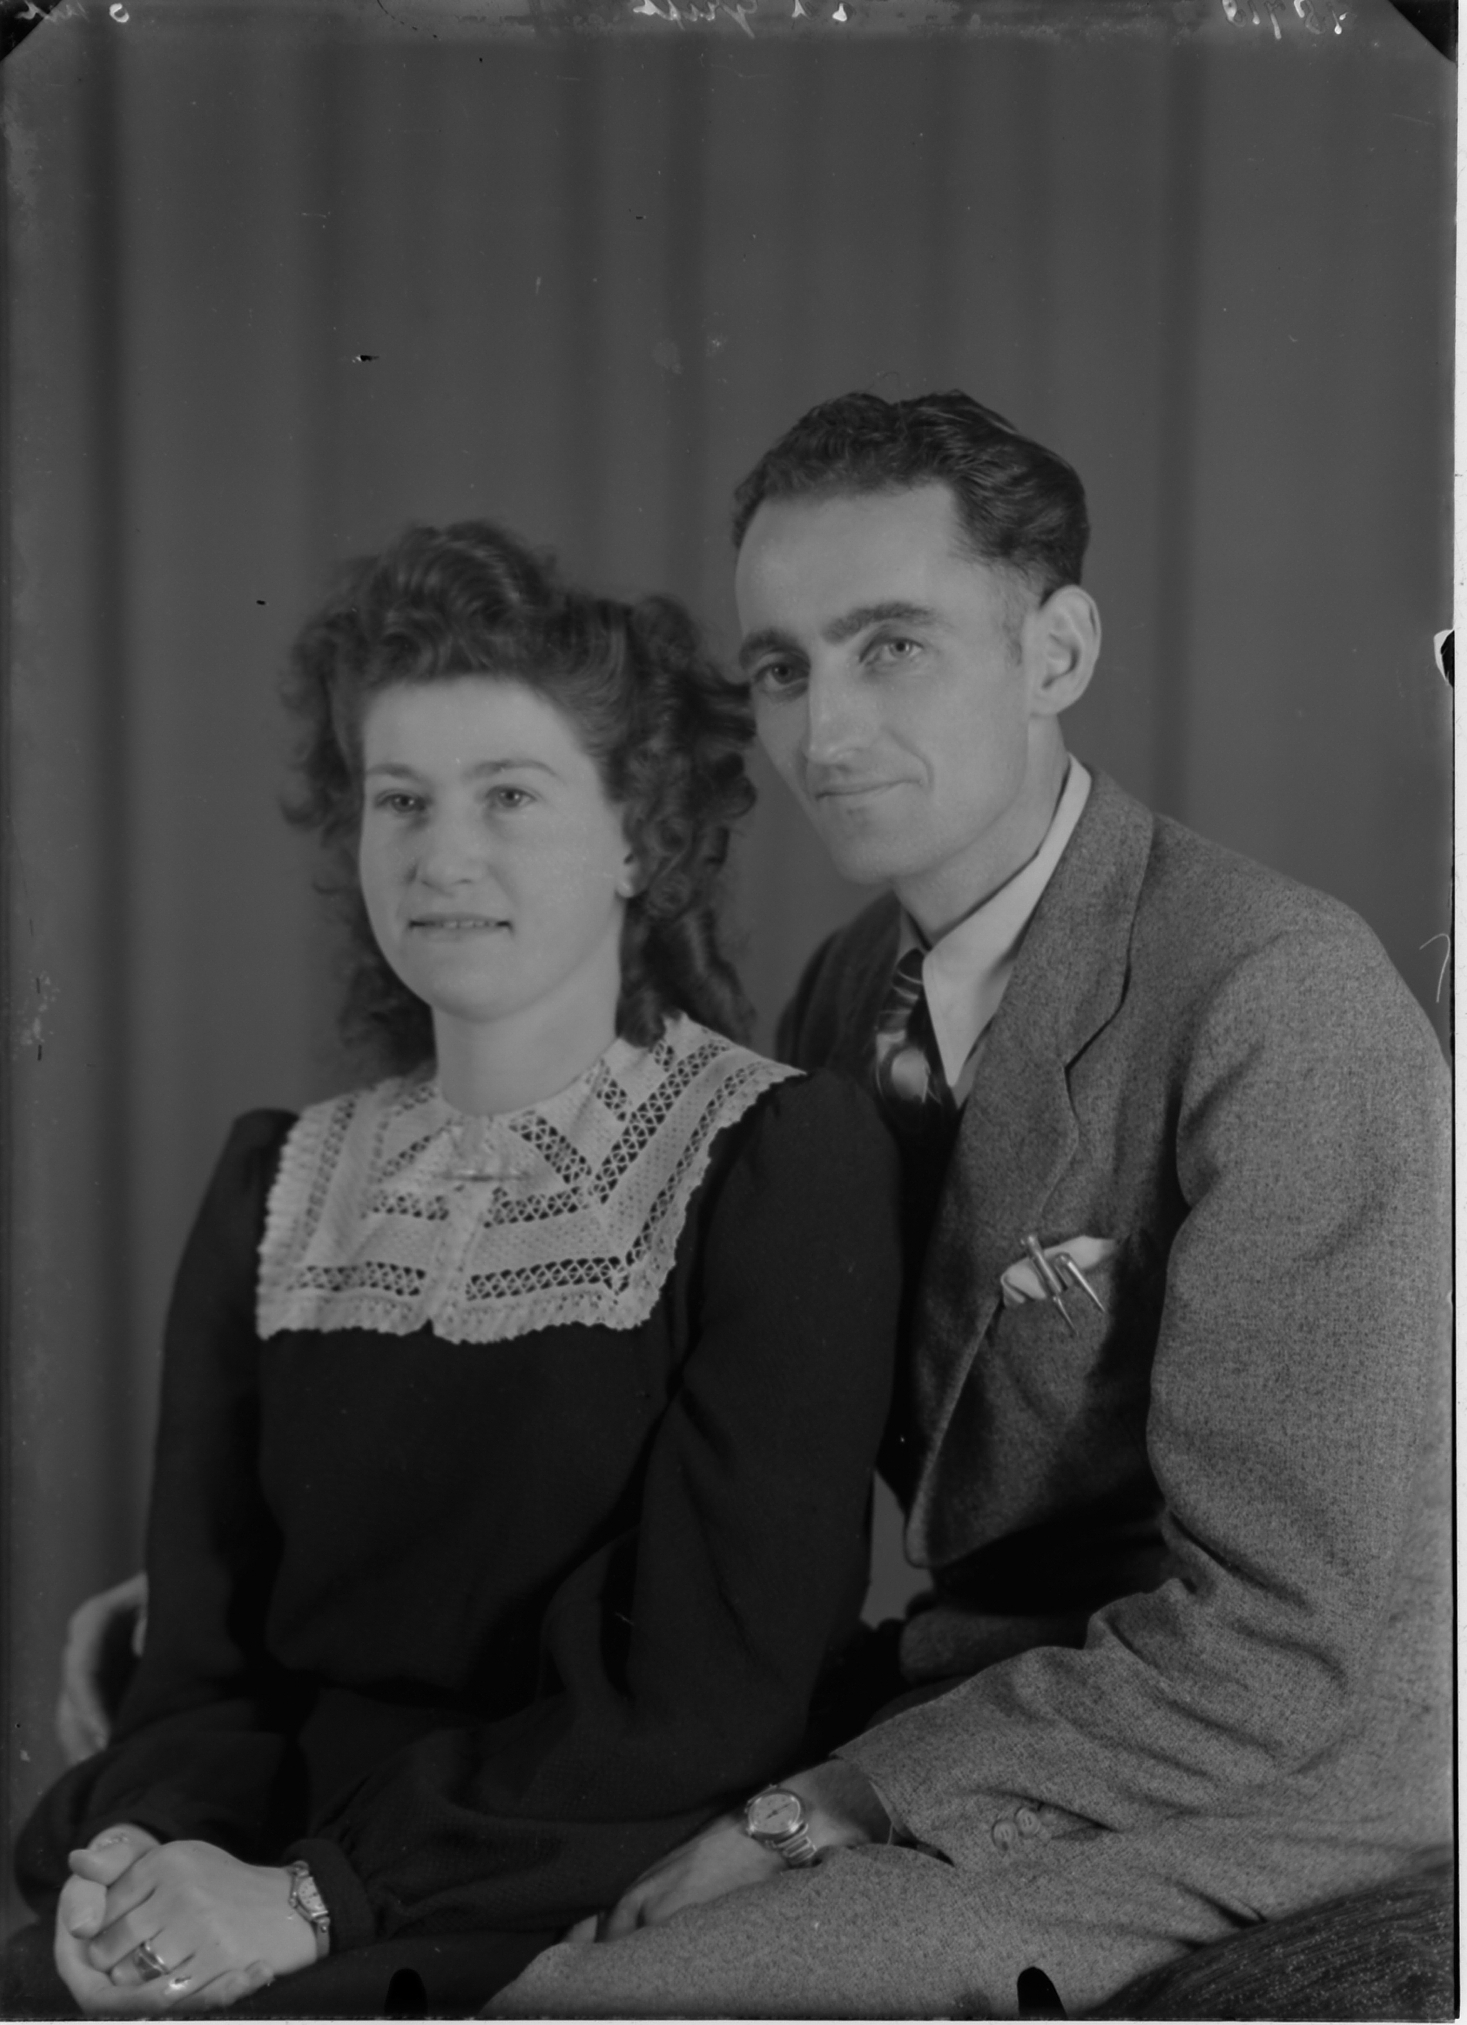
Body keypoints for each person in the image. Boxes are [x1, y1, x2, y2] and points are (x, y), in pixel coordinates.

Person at [482, 391, 1453, 2019]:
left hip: (1259, 1766)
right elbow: (731, 1418)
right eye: (781, 668)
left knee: (587, 2007)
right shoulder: (847, 985)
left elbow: (1288, 1642)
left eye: (891, 646)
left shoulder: (1278, 997)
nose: (825, 729)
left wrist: (816, 1810)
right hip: (976, 1693)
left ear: (1057, 651)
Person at [7, 520, 905, 2018]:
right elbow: (201, 1677)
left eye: (510, 795)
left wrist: (312, 1900)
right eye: (401, 800)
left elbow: (709, 1704)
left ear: (638, 835)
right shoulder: (277, 1184)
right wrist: (146, 1864)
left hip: (559, 1882)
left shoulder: (776, 1159)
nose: (443, 856)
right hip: (253, 1870)